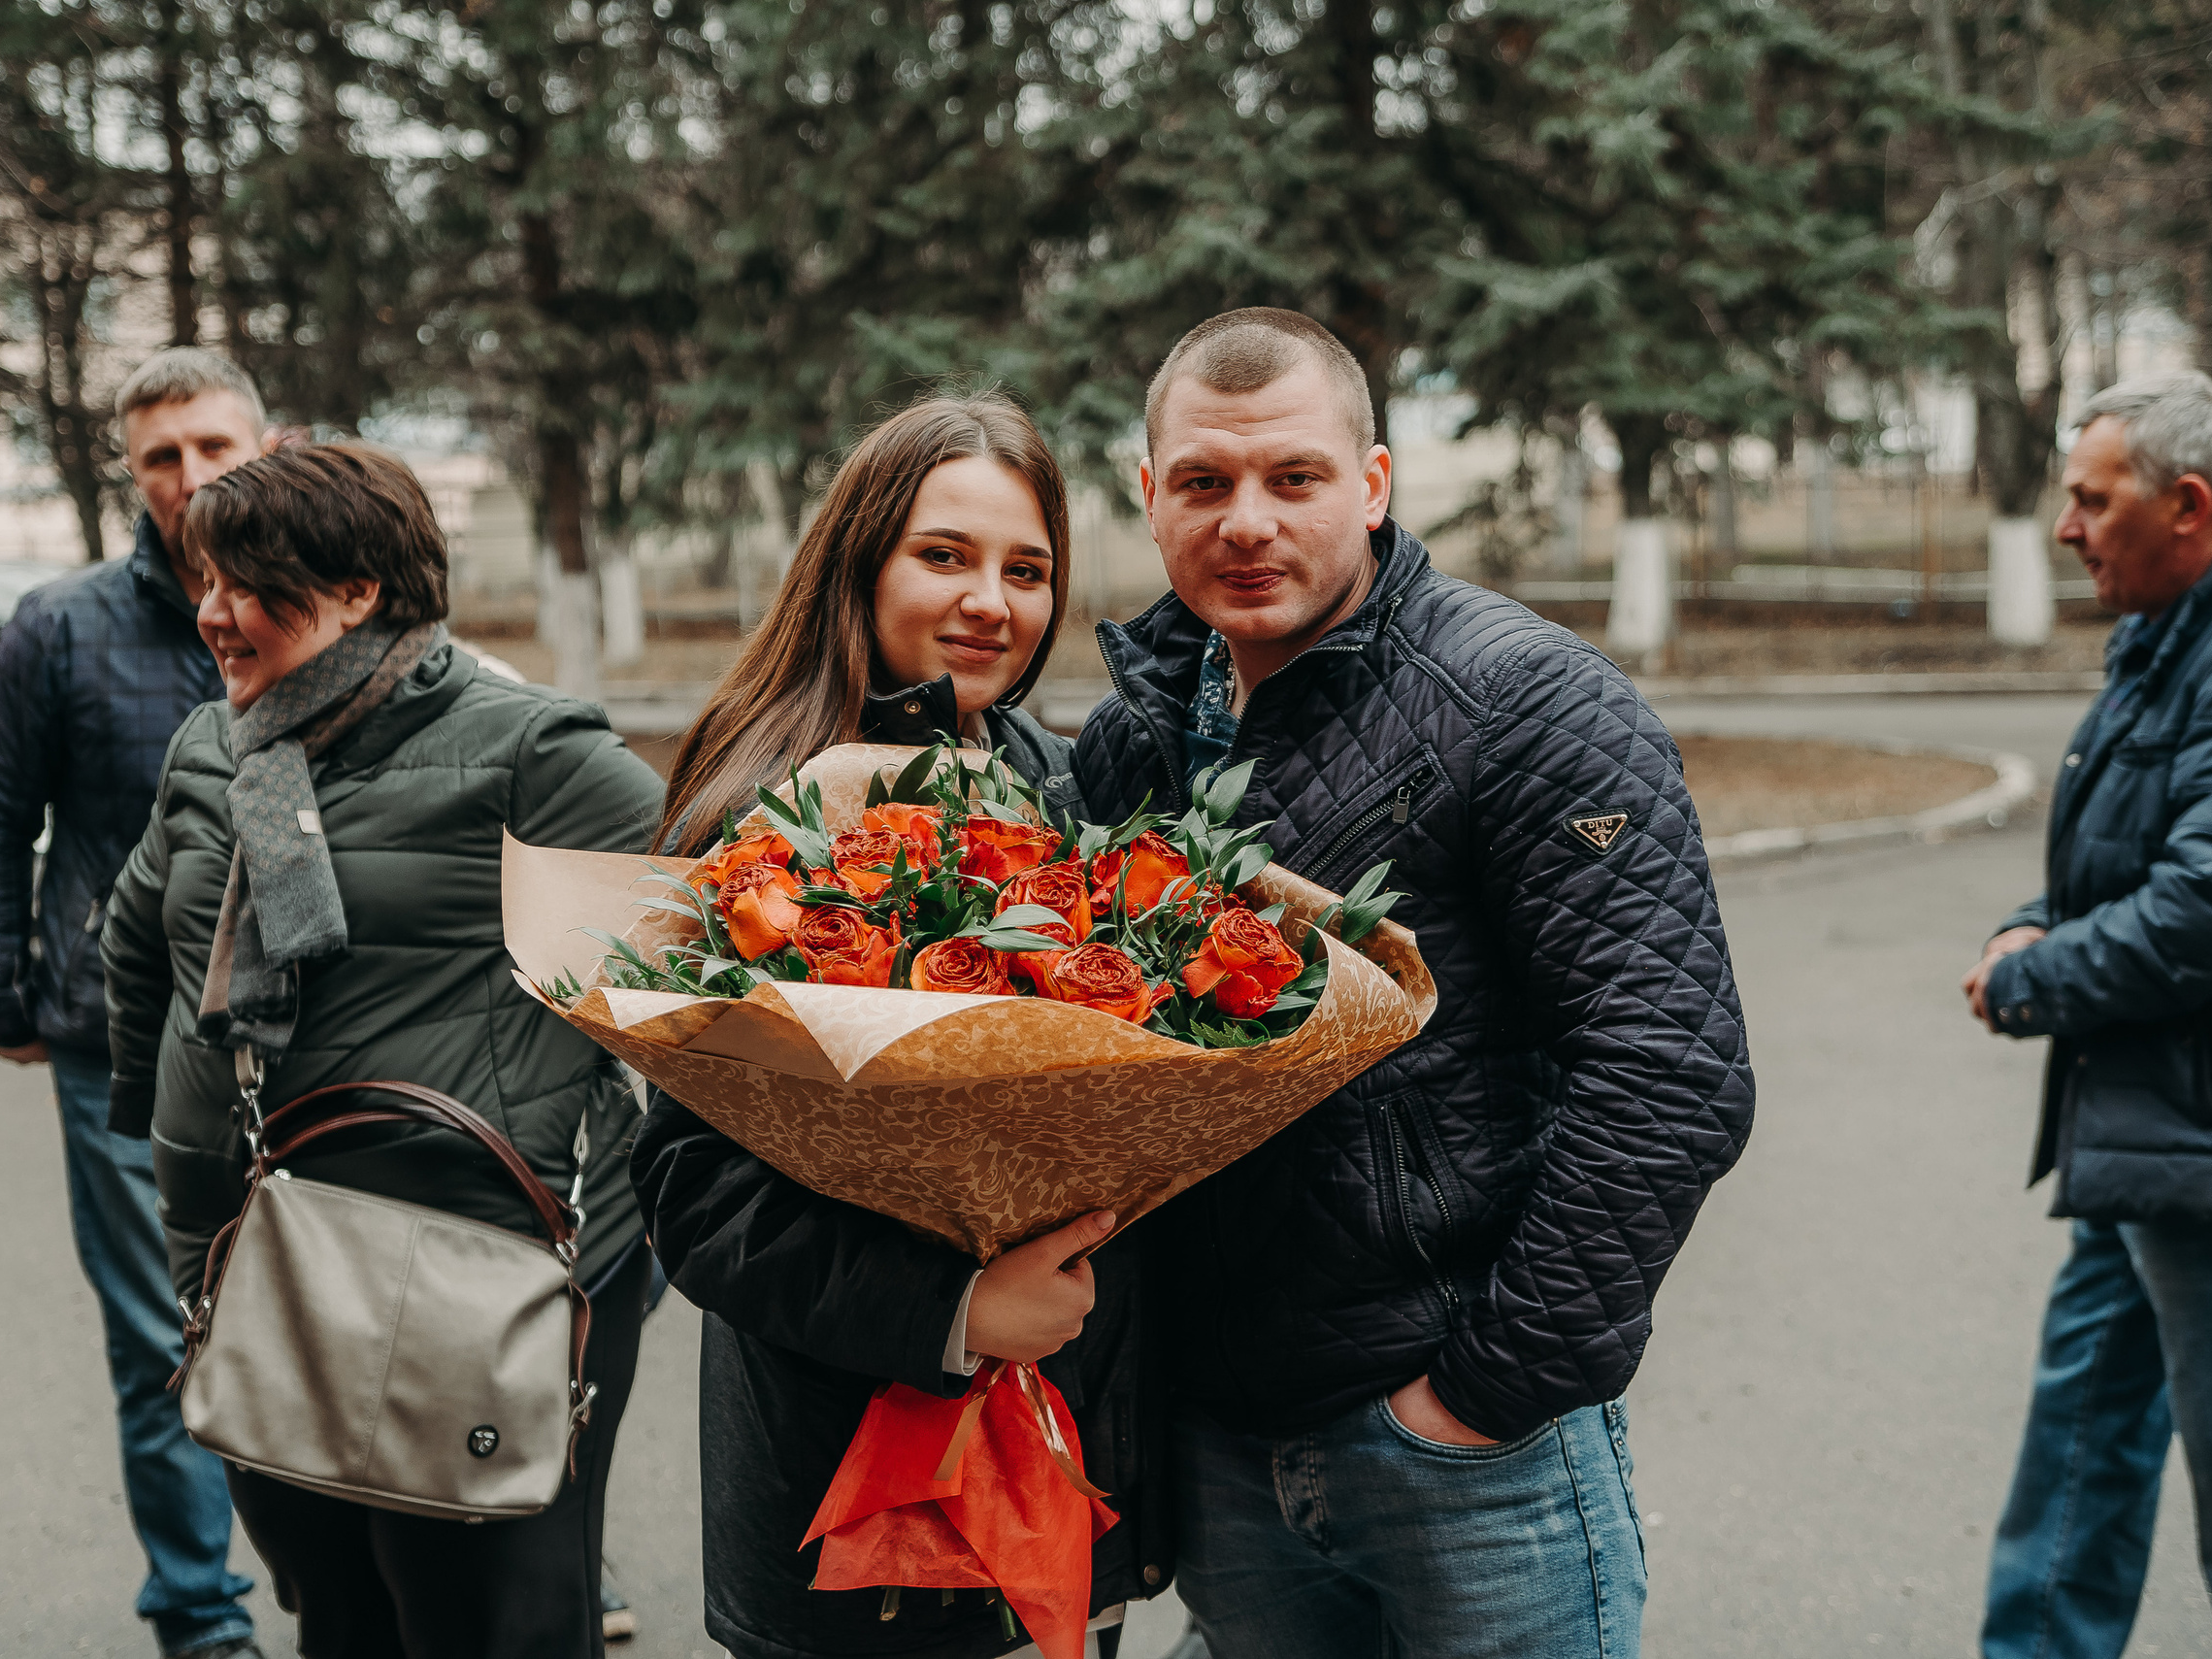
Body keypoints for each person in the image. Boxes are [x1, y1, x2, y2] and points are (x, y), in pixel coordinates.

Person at [1073, 309, 1754, 1659]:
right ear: (1149, 497)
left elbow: (1667, 1074)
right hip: (1222, 1435)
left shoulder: (1526, 701)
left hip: (1459, 1450)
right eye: (1204, 483)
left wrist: (1488, 1393)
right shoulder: (1126, 742)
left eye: (1296, 478)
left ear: (1374, 487)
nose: (1248, 520)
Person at [98, 442, 666, 1658]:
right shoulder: (216, 746)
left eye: (245, 581)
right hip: (275, 1272)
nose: (209, 613)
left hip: (480, 1281)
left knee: (489, 1616)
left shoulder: (530, 751)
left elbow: (691, 957)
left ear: (359, 589)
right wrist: (166, 1142)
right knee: (338, 1607)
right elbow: (136, 943)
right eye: (203, 579)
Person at [627, 393, 1171, 1659]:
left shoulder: (1051, 776)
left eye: (1026, 569)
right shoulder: (766, 814)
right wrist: (954, 1309)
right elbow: (693, 1194)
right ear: (859, 564)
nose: (993, 599)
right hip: (855, 1522)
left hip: (1053, 1477)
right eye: (945, 555)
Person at [0, 346, 274, 1659]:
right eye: (161, 455)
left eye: (212, 445)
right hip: (121, 1054)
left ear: (268, 441)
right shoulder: (58, 626)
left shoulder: (333, 605)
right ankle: (202, 1617)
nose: (190, 476)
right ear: (131, 473)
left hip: (315, 1045)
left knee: (338, 1318)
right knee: (166, 1344)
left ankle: (356, 1580)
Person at [1960, 370, 2212, 1659]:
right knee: (2078, 1452)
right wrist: (2039, 919)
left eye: (2091, 500)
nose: (2068, 530)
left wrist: (2033, 975)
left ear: (2188, 504)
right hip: (2148, 1136)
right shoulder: (2175, 629)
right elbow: (2142, 858)